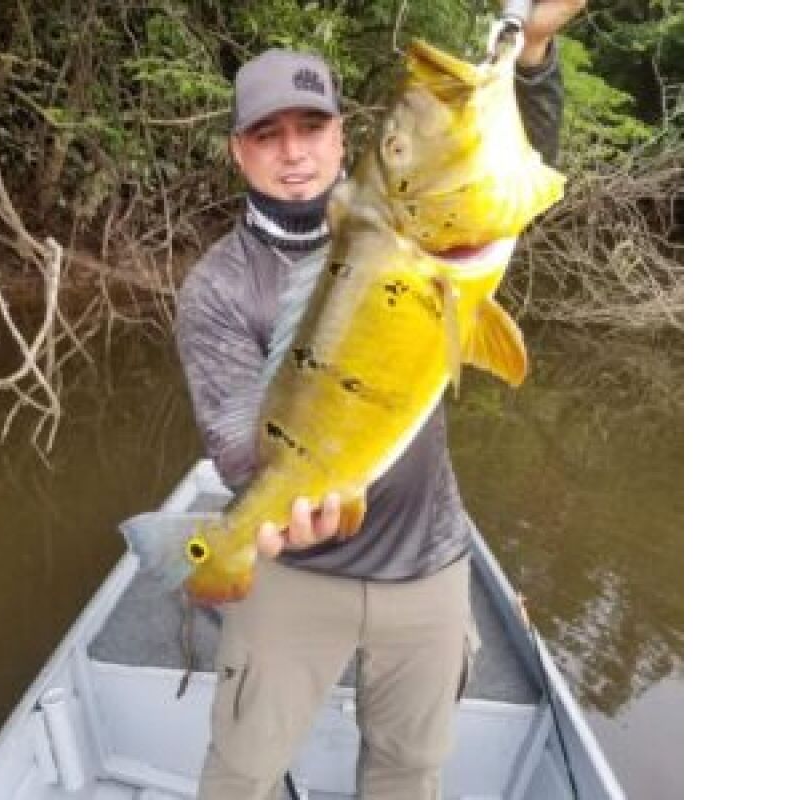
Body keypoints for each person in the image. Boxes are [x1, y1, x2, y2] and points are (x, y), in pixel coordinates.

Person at [174, 3, 585, 797]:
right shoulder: (216, 287)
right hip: (293, 569)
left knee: (410, 770)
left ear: (341, 136)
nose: (294, 151)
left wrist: (531, 50)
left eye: (311, 127)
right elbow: (233, 445)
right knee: (242, 771)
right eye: (267, 134)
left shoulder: (417, 230)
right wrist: (270, 512)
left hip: (428, 561)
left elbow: (516, 161)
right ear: (238, 150)